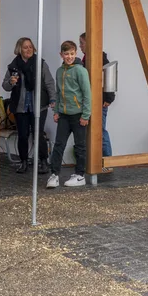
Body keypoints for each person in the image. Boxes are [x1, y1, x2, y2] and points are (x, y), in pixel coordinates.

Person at [3, 37, 57, 173]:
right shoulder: (13, 66)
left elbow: (49, 82)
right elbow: (5, 86)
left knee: (38, 134)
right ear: (19, 49)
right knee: (22, 135)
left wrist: (53, 99)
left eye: (30, 47)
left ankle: (43, 162)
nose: (28, 49)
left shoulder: (40, 63)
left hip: (38, 105)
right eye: (25, 47)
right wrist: (11, 82)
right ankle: (24, 162)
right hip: (21, 106)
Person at [47, 40, 90, 189]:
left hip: (78, 116)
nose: (69, 57)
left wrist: (85, 115)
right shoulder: (59, 71)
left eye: (72, 53)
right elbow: (58, 93)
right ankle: (54, 175)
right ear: (61, 55)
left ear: (75, 53)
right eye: (66, 54)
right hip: (64, 115)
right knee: (59, 144)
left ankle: (80, 175)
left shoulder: (80, 71)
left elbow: (87, 94)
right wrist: (56, 111)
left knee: (80, 146)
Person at [78, 31, 114, 169]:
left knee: (100, 131)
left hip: (99, 101)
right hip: (90, 100)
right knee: (94, 131)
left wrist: (108, 97)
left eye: (82, 43)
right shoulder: (86, 58)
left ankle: (107, 162)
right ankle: (96, 161)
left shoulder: (99, 58)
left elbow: (109, 77)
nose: (80, 46)